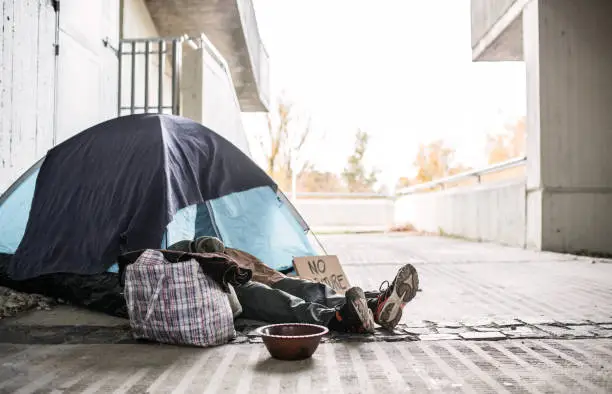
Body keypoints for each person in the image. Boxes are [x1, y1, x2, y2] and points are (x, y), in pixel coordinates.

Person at [168, 236, 419, 333]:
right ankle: (337, 319)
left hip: (234, 269)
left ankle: (372, 306)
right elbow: (175, 258)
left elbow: (208, 245)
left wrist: (206, 245)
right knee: (271, 297)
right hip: (218, 286)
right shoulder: (147, 260)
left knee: (297, 285)